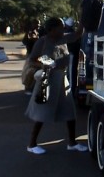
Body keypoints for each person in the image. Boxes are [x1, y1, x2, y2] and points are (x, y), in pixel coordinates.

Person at [25, 17, 87, 154]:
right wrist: (45, 63)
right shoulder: (42, 41)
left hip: (62, 78)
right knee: (42, 111)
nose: (63, 29)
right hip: (47, 79)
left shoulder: (62, 38)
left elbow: (78, 34)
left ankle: (72, 143)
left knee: (69, 111)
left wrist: (84, 17)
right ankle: (31, 144)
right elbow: (32, 60)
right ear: (51, 30)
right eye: (60, 27)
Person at [64, 17, 81, 96]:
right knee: (71, 73)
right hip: (72, 55)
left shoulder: (70, 33)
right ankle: (70, 90)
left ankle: (70, 92)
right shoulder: (73, 32)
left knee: (70, 73)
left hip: (71, 55)